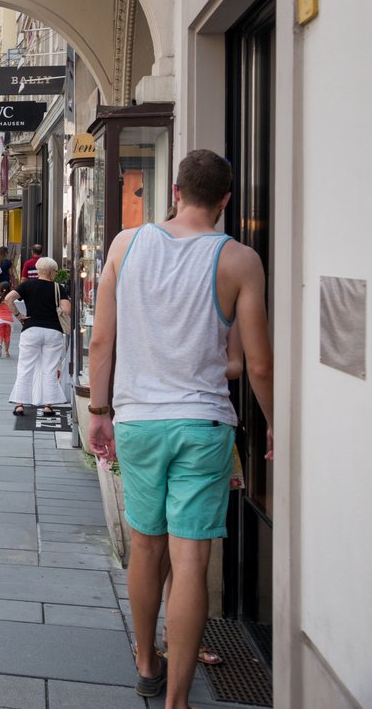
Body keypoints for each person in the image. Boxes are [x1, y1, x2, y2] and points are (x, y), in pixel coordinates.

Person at [85, 151, 272, 709]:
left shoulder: (125, 245)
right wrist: (279, 426)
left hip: (139, 420)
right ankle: (178, 701)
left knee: (146, 545)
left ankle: (146, 663)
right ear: (226, 199)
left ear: (173, 190)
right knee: (191, 559)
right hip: (203, 422)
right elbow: (258, 365)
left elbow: (101, 341)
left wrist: (99, 411)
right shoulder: (239, 260)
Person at [4, 256, 70, 417]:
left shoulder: (27, 285)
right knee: (50, 368)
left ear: (39, 270)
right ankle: (48, 405)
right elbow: (66, 309)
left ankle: (19, 404)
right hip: (53, 331)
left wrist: (19, 315)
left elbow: (8, 298)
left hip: (31, 329)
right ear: (53, 272)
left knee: (25, 367)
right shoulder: (58, 288)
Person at [0, 283, 15, 358]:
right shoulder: (10, 300)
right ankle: (6, 351)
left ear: (0, 290)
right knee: (7, 336)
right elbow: (13, 309)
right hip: (9, 320)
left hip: (0, 320)